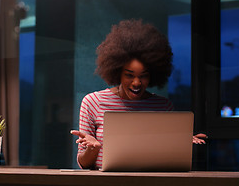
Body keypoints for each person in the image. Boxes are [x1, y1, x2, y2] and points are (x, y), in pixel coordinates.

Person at [70, 19, 206, 170]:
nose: (137, 83)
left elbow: (165, 160)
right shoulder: (92, 102)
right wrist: (93, 148)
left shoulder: (163, 106)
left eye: (144, 76)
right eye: (129, 75)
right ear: (117, 73)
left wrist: (178, 144)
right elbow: (84, 164)